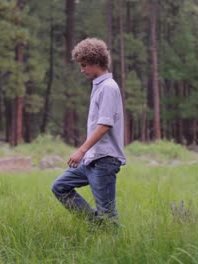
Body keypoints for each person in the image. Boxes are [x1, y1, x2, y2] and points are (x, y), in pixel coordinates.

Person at [51, 38, 126, 230]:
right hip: (93, 159)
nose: (82, 69)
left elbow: (104, 125)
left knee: (108, 214)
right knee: (60, 187)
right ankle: (97, 227)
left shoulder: (108, 88)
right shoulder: (99, 86)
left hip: (104, 160)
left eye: (84, 65)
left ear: (96, 62)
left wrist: (81, 151)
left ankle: (112, 242)